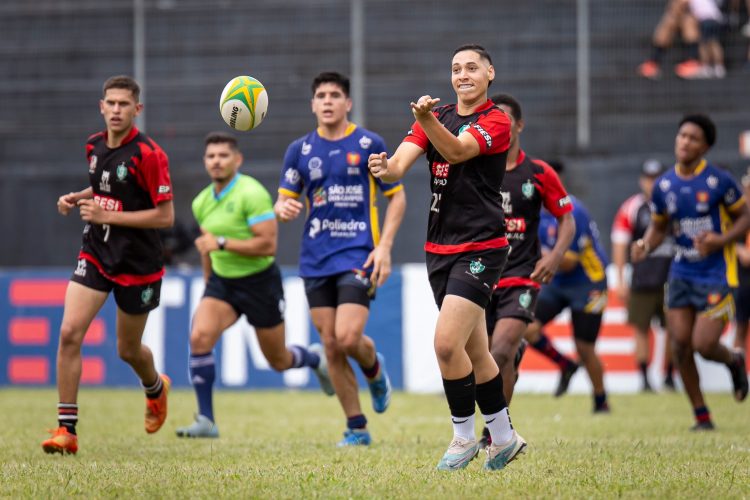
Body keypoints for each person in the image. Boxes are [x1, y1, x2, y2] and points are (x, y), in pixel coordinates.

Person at [368, 44, 526, 471]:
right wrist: (385, 166)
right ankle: (506, 438)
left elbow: (456, 151)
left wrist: (425, 120)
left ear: (490, 72)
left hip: (482, 246)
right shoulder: (436, 118)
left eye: (472, 67)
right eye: (456, 69)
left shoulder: (497, 121)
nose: (463, 75)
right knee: (477, 353)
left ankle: (463, 437)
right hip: (439, 248)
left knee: (445, 344)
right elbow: (400, 166)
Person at [43, 75, 174, 455]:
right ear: (101, 106)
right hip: (96, 253)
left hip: (139, 264)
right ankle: (67, 430)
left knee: (128, 350)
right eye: (111, 103)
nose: (117, 110)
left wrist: (108, 215)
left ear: (138, 109)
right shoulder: (93, 145)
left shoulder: (150, 155)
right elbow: (104, 188)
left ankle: (155, 388)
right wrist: (77, 196)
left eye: (124, 104)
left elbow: (165, 217)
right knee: (69, 333)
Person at [275, 72, 406, 447]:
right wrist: (282, 207)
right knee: (331, 345)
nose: (328, 101)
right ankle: (357, 428)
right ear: (313, 104)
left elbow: (396, 196)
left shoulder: (369, 143)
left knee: (348, 337)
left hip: (358, 253)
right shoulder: (299, 151)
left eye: (335, 95)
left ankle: (374, 369)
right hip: (315, 258)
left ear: (348, 103)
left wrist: (384, 248)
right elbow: (285, 199)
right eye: (321, 95)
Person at [176, 132, 333, 438]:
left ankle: (314, 358)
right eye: (211, 156)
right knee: (199, 336)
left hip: (260, 283)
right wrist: (209, 288)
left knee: (278, 360)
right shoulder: (201, 203)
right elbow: (208, 247)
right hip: (222, 284)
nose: (217, 161)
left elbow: (267, 246)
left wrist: (221, 242)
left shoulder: (252, 193)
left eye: (223, 155)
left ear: (238, 160)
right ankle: (206, 420)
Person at [632, 114, 749, 431]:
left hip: (717, 273)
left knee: (704, 344)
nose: (685, 141)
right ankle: (701, 416)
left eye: (693, 138)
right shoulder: (664, 185)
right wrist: (644, 244)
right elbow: (659, 228)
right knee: (679, 345)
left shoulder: (719, 181)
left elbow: (744, 216)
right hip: (681, 272)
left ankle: (734, 361)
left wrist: (721, 240)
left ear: (705, 146)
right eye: (682, 135)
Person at [484, 94, 575, 405]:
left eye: (505, 119)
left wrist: (555, 255)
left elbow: (567, 219)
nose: (499, 126)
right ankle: (500, 425)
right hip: (480, 276)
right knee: (484, 358)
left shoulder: (538, 173)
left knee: (499, 352)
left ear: (519, 125)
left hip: (522, 276)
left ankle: (493, 432)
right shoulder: (474, 170)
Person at [525, 192, 612, 413]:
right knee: (527, 327)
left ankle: (601, 400)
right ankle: (565, 365)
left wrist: (534, 252)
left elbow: (568, 262)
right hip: (555, 282)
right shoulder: (531, 212)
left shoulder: (573, 211)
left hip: (589, 283)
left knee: (584, 347)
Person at [611, 159, 676, 392]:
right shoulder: (632, 207)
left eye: (657, 178)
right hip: (642, 278)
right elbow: (619, 244)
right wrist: (620, 279)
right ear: (642, 181)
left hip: (672, 278)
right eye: (649, 179)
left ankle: (669, 376)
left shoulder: (674, 204)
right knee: (641, 329)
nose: (653, 183)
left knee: (674, 329)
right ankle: (645, 379)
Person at [638, 0, 703, 79]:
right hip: (678, 14)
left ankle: (693, 61)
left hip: (697, 13)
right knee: (668, 23)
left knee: (689, 24)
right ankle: (653, 62)